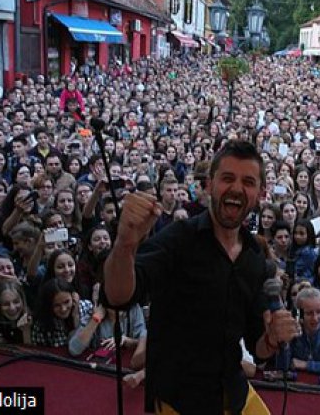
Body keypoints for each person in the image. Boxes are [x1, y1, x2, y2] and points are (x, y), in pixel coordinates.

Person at [103, 141, 299, 414]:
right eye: (227, 178)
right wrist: (125, 243)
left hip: (233, 390)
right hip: (181, 399)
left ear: (260, 194)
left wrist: (270, 339)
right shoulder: (177, 239)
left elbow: (257, 346)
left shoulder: (255, 259)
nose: (236, 188)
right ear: (209, 185)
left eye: (248, 181)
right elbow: (117, 295)